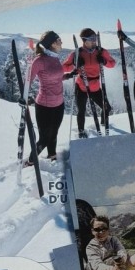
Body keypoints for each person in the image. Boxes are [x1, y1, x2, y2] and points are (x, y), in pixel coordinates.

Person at [23, 30, 71, 166]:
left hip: (59, 104)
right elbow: (27, 81)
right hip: (44, 106)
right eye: (59, 40)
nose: (61, 42)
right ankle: (31, 161)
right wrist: (24, 96)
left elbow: (56, 77)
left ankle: (52, 156)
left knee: (54, 133)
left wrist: (68, 75)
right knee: (44, 138)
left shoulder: (55, 58)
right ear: (52, 43)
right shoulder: (39, 61)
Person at [63, 28, 115, 137]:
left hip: (95, 86)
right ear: (84, 40)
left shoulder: (101, 51)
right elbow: (64, 67)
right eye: (91, 39)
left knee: (107, 107)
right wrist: (75, 63)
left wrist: (104, 61)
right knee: (81, 111)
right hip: (81, 86)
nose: (94, 41)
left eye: (95, 38)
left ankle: (103, 124)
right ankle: (81, 131)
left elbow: (112, 63)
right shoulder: (77, 53)